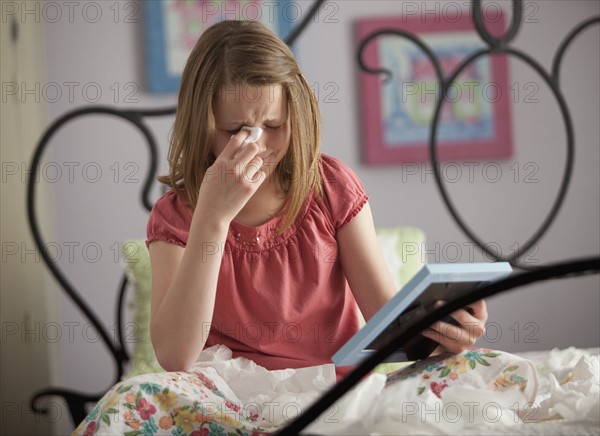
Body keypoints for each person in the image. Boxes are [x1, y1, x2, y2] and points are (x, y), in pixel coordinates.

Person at [74, 20, 487, 435]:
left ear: (296, 112)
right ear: (203, 125)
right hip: (225, 395)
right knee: (129, 400)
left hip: (329, 385)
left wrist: (442, 329)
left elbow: (388, 321)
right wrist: (212, 218)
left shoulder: (330, 187)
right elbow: (174, 356)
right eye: (235, 131)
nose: (256, 145)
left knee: (476, 375)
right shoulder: (178, 214)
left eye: (273, 127)